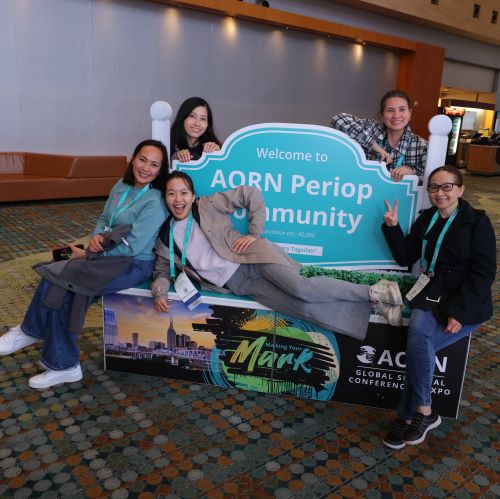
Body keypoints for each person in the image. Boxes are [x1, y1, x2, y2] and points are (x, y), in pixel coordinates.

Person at [151, 171, 405, 341]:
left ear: (192, 195)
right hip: (239, 284)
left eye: (183, 192)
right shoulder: (165, 237)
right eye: (171, 193)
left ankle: (375, 292)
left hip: (252, 257)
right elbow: (162, 271)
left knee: (301, 289)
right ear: (165, 197)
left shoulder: (207, 204)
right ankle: (376, 305)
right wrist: (159, 292)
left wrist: (254, 233)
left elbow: (250, 194)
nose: (178, 199)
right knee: (303, 308)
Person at [0, 140, 169, 389]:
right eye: (142, 159)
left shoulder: (154, 200)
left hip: (130, 264)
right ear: (133, 158)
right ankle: (61, 362)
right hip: (104, 253)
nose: (146, 168)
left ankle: (39, 338)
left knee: (61, 278)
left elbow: (133, 246)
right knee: (60, 271)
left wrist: (91, 253)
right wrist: (97, 237)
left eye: (154, 165)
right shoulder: (121, 185)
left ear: (159, 171)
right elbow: (103, 218)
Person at [381, 165, 495, 449]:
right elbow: (405, 256)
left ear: (460, 189)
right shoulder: (427, 219)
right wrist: (393, 227)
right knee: (420, 341)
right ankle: (424, 413)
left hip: (464, 301)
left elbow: (484, 273)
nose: (440, 193)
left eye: (447, 187)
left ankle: (409, 415)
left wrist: (460, 312)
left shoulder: (477, 222)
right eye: (434, 187)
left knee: (420, 344)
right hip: (431, 293)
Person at [330, 90, 427, 182]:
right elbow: (338, 119)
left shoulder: (421, 146)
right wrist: (374, 145)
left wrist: (411, 170)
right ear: (382, 116)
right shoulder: (372, 128)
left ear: (409, 113)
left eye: (402, 109)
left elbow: (429, 179)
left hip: (397, 199)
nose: (396, 115)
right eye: (390, 110)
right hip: (364, 192)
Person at [170, 97, 221, 163]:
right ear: (182, 118)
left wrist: (219, 155)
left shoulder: (213, 147)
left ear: (208, 124)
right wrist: (175, 157)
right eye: (192, 116)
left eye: (203, 119)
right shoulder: (167, 143)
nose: (197, 123)